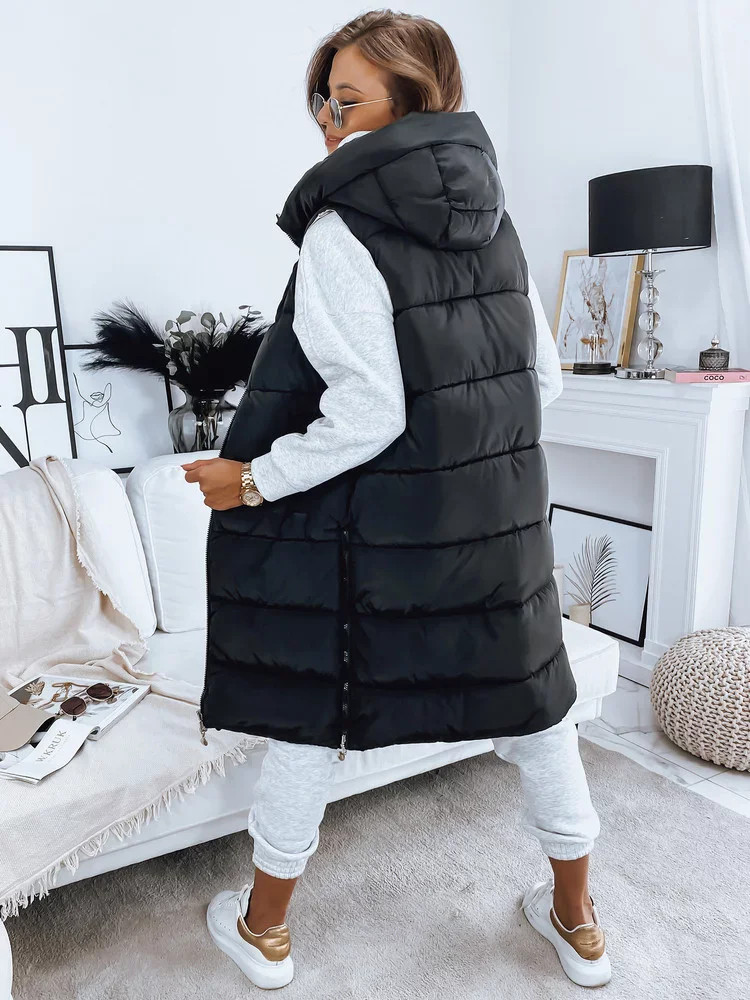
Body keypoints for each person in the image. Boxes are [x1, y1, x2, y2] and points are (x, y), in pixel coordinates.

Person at [183, 9, 611, 991]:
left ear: (412, 101)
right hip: (501, 530)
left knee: (312, 712)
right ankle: (580, 923)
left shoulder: (341, 227)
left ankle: (265, 930)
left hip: (379, 537)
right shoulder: (500, 222)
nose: (326, 122)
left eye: (346, 101)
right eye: (321, 101)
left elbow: (369, 413)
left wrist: (252, 477)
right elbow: (544, 382)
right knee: (540, 714)